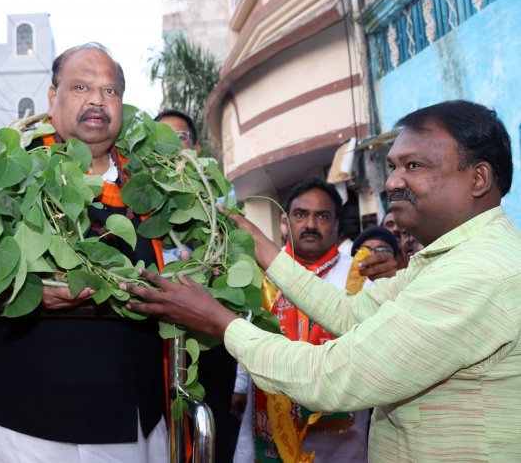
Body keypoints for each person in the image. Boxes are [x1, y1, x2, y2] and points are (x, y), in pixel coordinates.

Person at [122, 100, 521, 460]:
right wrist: (260, 245)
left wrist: (219, 323)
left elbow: (332, 377)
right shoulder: (449, 257)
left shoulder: (477, 271)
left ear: (478, 179)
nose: (392, 182)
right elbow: (352, 314)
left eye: (414, 166)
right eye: (394, 166)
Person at [0, 43, 168, 461]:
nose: (97, 99)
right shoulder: (3, 167)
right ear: (51, 97)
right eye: (80, 86)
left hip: (126, 423)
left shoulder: (156, 185)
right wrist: (23, 287)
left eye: (110, 91)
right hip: (18, 421)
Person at [230, 178, 378, 463]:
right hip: (271, 417)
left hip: (338, 434)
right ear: (285, 222)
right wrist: (239, 386)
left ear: (336, 225)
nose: (311, 224)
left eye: (322, 216)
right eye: (301, 214)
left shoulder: (360, 275)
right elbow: (245, 328)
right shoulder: (260, 272)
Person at [156, 108, 241, 462]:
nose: (174, 145)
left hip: (209, 331)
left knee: (212, 418)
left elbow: (235, 250)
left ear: (196, 145)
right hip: (159, 332)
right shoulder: (140, 192)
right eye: (161, 137)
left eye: (181, 137)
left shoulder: (217, 190)